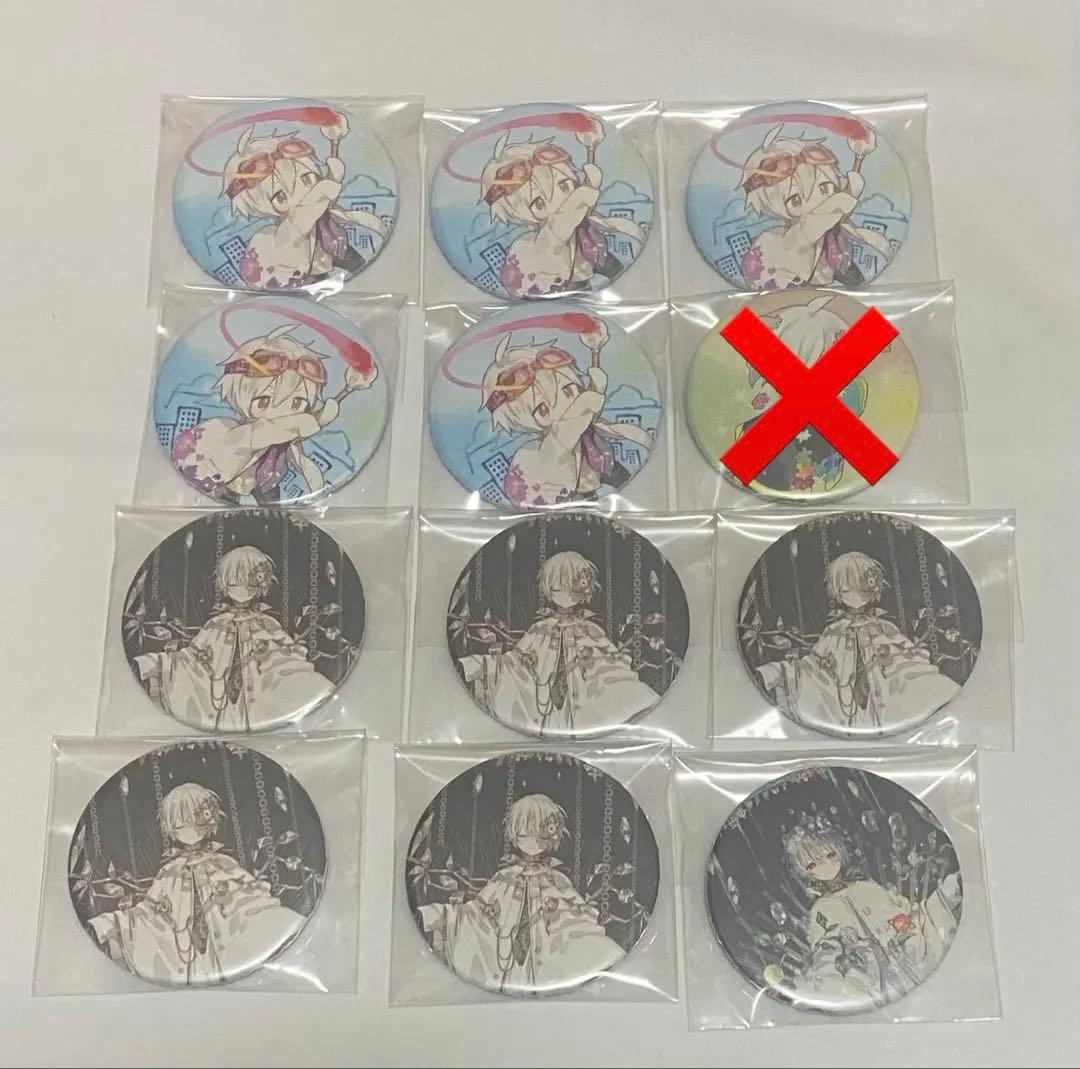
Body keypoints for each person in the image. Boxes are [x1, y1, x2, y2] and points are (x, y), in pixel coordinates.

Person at [87, 783, 304, 986]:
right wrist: (112, 924)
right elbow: (150, 913)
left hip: (226, 942)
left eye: (197, 820)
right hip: (186, 951)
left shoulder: (222, 863)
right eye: (180, 824)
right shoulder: (169, 872)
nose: (189, 829)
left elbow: (248, 898)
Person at [417, 794, 624, 994]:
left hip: (545, 960)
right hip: (506, 961)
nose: (533, 840)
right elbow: (477, 913)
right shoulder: (504, 877)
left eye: (540, 832)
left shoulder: (556, 880)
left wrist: (561, 916)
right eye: (525, 832)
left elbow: (576, 919)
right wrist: (439, 916)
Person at [171, 323, 376, 504]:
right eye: (264, 401)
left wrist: (317, 489)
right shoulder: (239, 432)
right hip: (228, 487)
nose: (282, 411)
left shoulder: (287, 435)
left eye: (297, 403)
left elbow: (301, 459)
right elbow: (266, 432)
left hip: (269, 487)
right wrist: (315, 421)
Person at [756, 551, 959, 733]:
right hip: (846, 703)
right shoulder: (834, 631)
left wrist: (902, 655)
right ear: (838, 592)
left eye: (862, 588)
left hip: (883, 696)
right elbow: (813, 665)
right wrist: (782, 672)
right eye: (846, 590)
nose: (855, 595)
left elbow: (905, 654)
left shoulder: (883, 627)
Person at [458, 550, 658, 734]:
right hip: (545, 706)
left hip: (583, 707)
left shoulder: (590, 629)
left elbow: (610, 665)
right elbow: (516, 662)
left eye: (574, 583)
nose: (568, 590)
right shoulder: (540, 629)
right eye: (560, 584)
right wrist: (480, 666)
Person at [134, 546, 330, 731]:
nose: (242, 589)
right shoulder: (216, 624)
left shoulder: (267, 624)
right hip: (221, 702)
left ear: (261, 585)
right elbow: (192, 658)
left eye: (250, 582)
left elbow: (287, 658)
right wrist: (156, 663)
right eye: (235, 582)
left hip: (259, 699)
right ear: (225, 585)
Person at [781, 822, 960, 1008]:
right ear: (805, 871)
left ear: (840, 850)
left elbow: (906, 917)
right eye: (812, 865)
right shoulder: (821, 909)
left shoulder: (867, 887)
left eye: (830, 855)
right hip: (868, 985)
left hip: (908, 963)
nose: (826, 866)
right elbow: (825, 957)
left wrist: (947, 893)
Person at [480, 334, 652, 507]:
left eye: (568, 390)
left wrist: (595, 355)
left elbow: (586, 414)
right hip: (576, 490)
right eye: (543, 409)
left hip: (606, 467)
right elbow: (575, 420)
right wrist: (595, 392)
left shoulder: (578, 421)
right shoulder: (553, 442)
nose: (564, 404)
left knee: (640, 493)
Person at [224, 115, 388, 289]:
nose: (301, 192)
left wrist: (332, 169)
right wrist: (332, 181)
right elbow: (310, 208)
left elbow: (323, 202)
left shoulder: (319, 215)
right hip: (307, 276)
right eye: (280, 197)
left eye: (307, 178)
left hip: (332, 253)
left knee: (364, 271)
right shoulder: (289, 227)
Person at [481, 128, 644, 297]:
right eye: (539, 203)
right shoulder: (547, 237)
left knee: (623, 277)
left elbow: (580, 209)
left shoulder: (579, 222)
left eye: (565, 185)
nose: (560, 199)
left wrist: (590, 167)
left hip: (594, 260)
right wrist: (588, 191)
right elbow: (564, 220)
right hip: (566, 281)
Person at [738, 124, 893, 290]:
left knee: (862, 293)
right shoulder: (796, 235)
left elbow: (837, 213)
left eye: (824, 187)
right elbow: (822, 217)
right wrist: (851, 194)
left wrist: (858, 160)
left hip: (837, 271)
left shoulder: (829, 225)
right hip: (798, 287)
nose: (816, 201)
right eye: (795, 200)